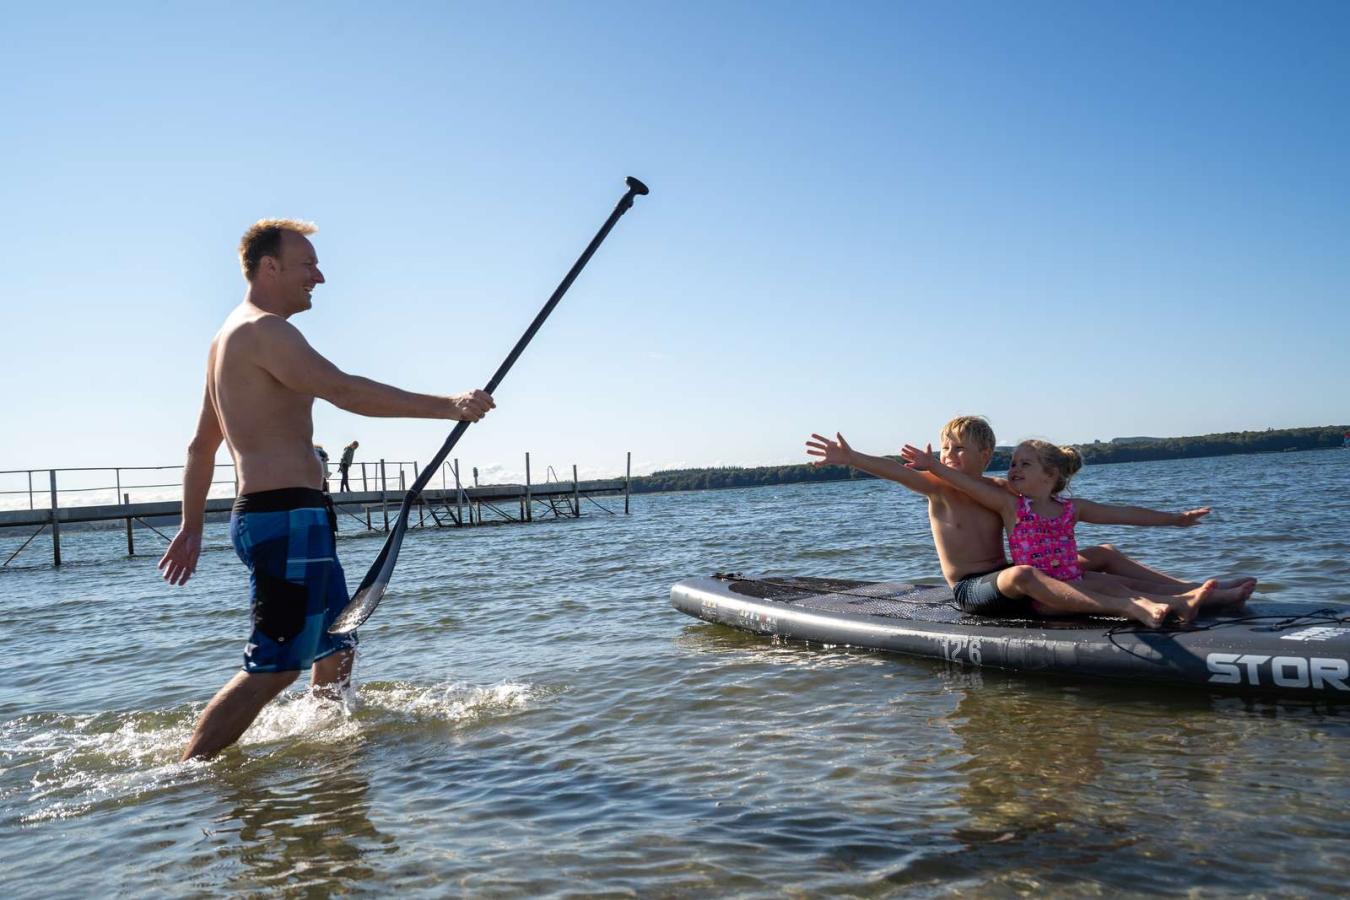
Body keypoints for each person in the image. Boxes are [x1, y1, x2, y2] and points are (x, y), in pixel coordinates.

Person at [158, 218, 495, 761]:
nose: (320, 276)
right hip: (284, 517)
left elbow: (201, 446)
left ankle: (329, 758)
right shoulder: (262, 331)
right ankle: (182, 777)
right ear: (270, 267)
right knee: (277, 664)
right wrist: (447, 406)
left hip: (290, 516)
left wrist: (191, 527)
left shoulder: (226, 338)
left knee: (337, 643)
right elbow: (340, 389)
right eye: (307, 264)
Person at [805, 416, 1253, 629]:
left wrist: (1173, 520)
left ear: (984, 457)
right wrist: (851, 458)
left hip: (1013, 579)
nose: (948, 456)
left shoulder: (1006, 490)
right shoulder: (937, 485)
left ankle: (1196, 594)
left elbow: (1095, 509)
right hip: (974, 591)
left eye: (959, 449)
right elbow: (896, 471)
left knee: (1103, 554)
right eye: (944, 448)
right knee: (1025, 572)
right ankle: (1134, 606)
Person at [900, 436, 1256, 625]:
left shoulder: (1071, 508)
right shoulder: (1009, 503)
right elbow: (964, 483)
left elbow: (1124, 514)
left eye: (1024, 464)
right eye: (1013, 464)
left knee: (1109, 564)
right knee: (1113, 588)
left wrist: (1173, 519)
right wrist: (932, 464)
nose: (1013, 470)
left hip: (1064, 579)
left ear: (1050, 476)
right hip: (1041, 593)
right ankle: (1162, 605)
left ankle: (1202, 594)